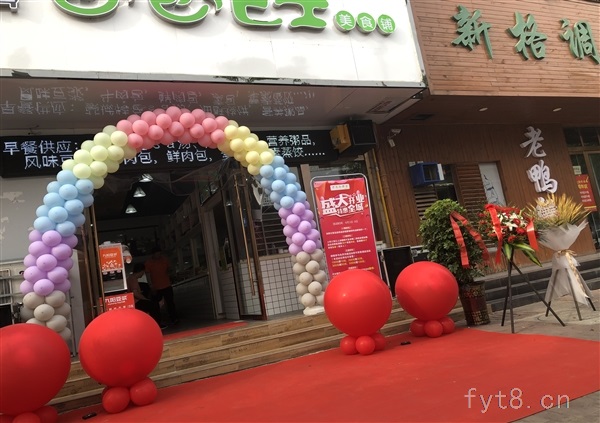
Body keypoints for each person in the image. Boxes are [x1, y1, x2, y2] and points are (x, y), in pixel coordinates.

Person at [145, 247, 179, 325]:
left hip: (166, 285)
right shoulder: (148, 263)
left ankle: (174, 318)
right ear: (153, 254)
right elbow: (148, 275)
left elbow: (170, 268)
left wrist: (170, 272)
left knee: (170, 303)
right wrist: (151, 286)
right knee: (155, 305)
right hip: (156, 287)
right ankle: (157, 321)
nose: (159, 255)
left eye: (160, 253)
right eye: (157, 254)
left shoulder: (164, 259)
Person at [127, 263, 166, 329]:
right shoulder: (133, 279)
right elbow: (135, 293)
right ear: (141, 271)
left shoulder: (130, 278)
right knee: (154, 305)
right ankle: (157, 324)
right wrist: (145, 299)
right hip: (136, 302)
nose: (143, 274)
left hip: (135, 301)